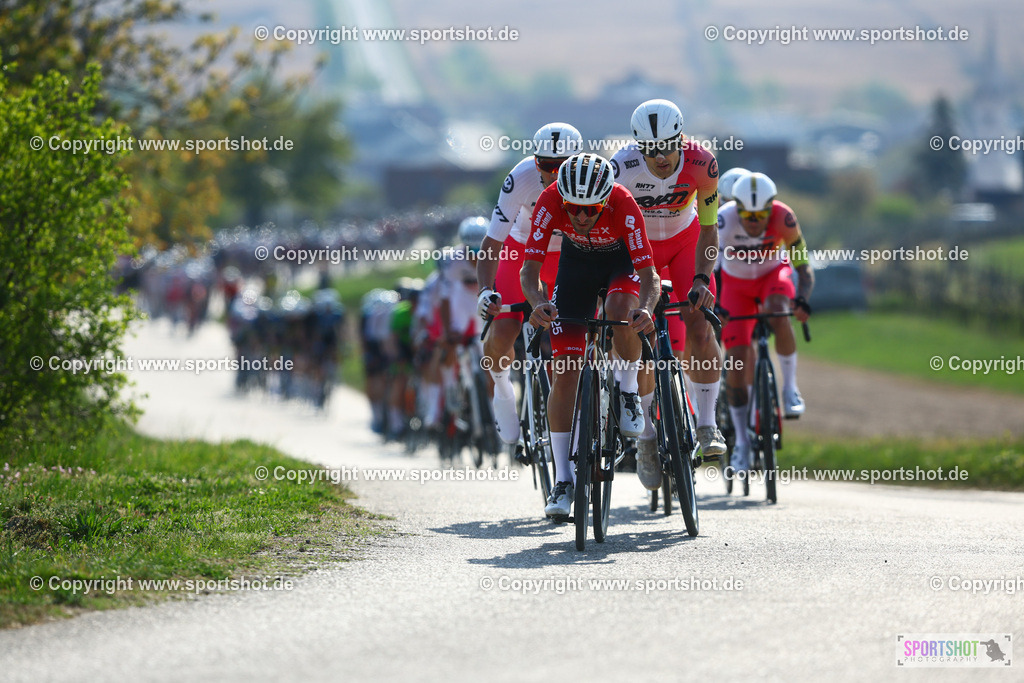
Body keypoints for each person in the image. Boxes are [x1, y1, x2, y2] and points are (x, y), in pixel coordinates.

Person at [521, 153, 659, 518]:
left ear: (606, 200)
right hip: (575, 267)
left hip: (621, 264)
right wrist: (536, 302)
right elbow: (529, 271)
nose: (581, 217)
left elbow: (650, 278)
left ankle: (627, 389)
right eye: (574, 209)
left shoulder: (624, 205)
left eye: (591, 210)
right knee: (564, 370)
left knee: (621, 312)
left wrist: (644, 310)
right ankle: (563, 480)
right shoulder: (551, 199)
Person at [610, 99, 726, 491]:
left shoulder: (702, 163)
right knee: (632, 330)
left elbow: (710, 231)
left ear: (682, 138)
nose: (660, 157)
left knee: (700, 324)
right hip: (637, 251)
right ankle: (645, 438)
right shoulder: (620, 167)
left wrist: (701, 278)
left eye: (667, 146)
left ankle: (707, 425)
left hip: (684, 244)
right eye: (650, 149)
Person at [476, 123, 583, 445]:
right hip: (522, 250)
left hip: (570, 251)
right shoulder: (520, 177)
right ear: (535, 161)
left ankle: (590, 404)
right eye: (545, 165)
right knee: (505, 329)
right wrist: (485, 291)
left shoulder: (592, 174)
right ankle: (503, 387)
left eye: (561, 166)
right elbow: (493, 242)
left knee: (582, 328)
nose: (553, 173)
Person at [717, 171, 814, 474]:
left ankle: (790, 389)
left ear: (771, 208)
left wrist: (803, 300)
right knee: (737, 363)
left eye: (761, 215)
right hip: (735, 287)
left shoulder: (784, 218)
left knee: (777, 310)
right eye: (747, 214)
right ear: (737, 207)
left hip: (773, 277)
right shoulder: (723, 220)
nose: (754, 221)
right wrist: (715, 304)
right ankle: (742, 446)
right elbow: (709, 268)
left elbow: (803, 265)